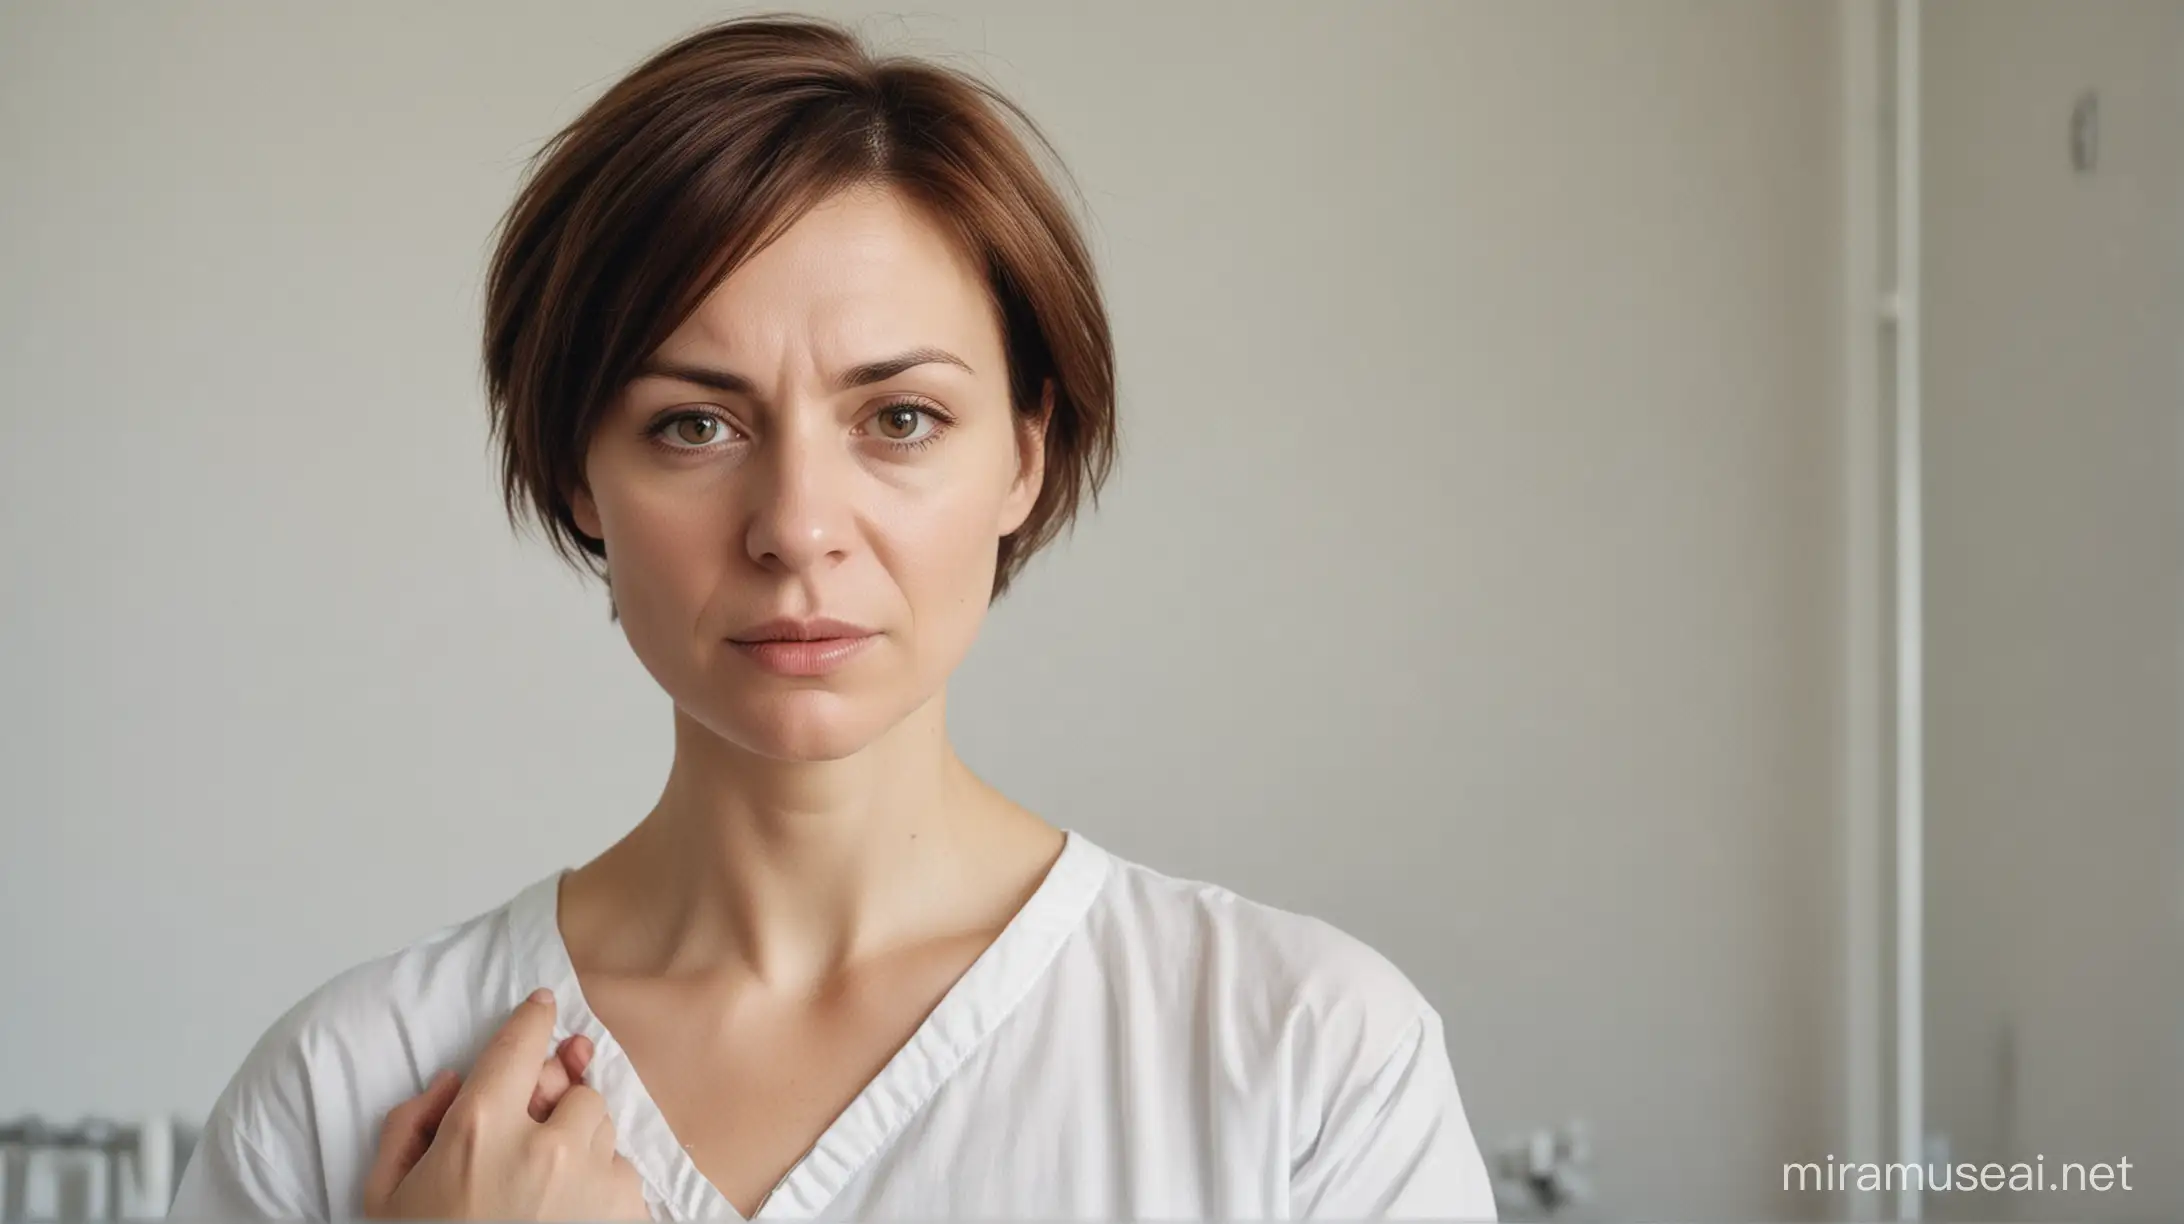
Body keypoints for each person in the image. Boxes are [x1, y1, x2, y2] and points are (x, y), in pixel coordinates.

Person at [166, 12, 1496, 1221]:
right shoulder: (342, 1095)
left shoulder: (1306, 1059)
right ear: (581, 471)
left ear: (1024, 457)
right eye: (694, 425)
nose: (797, 524)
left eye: (899, 419)